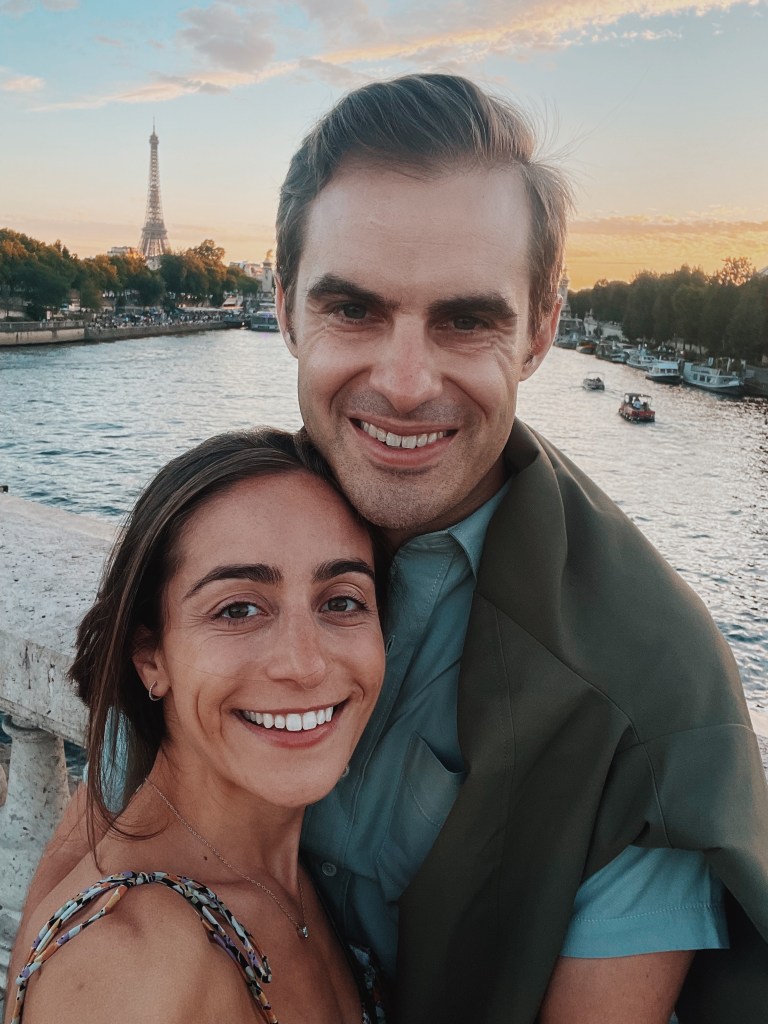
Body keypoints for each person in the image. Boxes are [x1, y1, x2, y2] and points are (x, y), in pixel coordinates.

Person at [9, 74, 768, 1023]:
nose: (406, 385)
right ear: (285, 306)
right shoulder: (225, 530)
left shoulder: (650, 694)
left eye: (466, 320)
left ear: (541, 330)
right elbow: (97, 861)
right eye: (354, 310)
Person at [5, 428, 389, 1024]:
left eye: (341, 601)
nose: (305, 664)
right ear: (151, 657)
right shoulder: (129, 971)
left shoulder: (277, 868)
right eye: (238, 609)